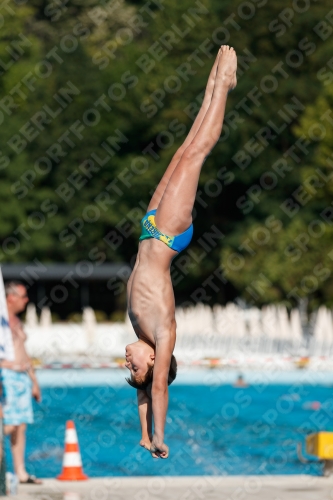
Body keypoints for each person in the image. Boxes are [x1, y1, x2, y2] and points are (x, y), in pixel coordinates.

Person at [126, 46, 237, 459]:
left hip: (149, 226)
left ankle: (212, 82)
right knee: (196, 153)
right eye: (135, 367)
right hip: (170, 233)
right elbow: (155, 389)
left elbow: (142, 390)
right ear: (155, 360)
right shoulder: (162, 334)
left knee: (181, 151)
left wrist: (140, 432)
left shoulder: (141, 333)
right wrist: (158, 437)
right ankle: (223, 85)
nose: (128, 363)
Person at [2, 282, 42, 484]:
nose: (27, 300)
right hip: (6, 376)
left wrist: (34, 381)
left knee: (20, 426)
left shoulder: (16, 321)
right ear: (10, 298)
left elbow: (24, 354)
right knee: (8, 424)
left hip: (22, 378)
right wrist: (7, 366)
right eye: (23, 297)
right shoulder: (1, 322)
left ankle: (21, 473)